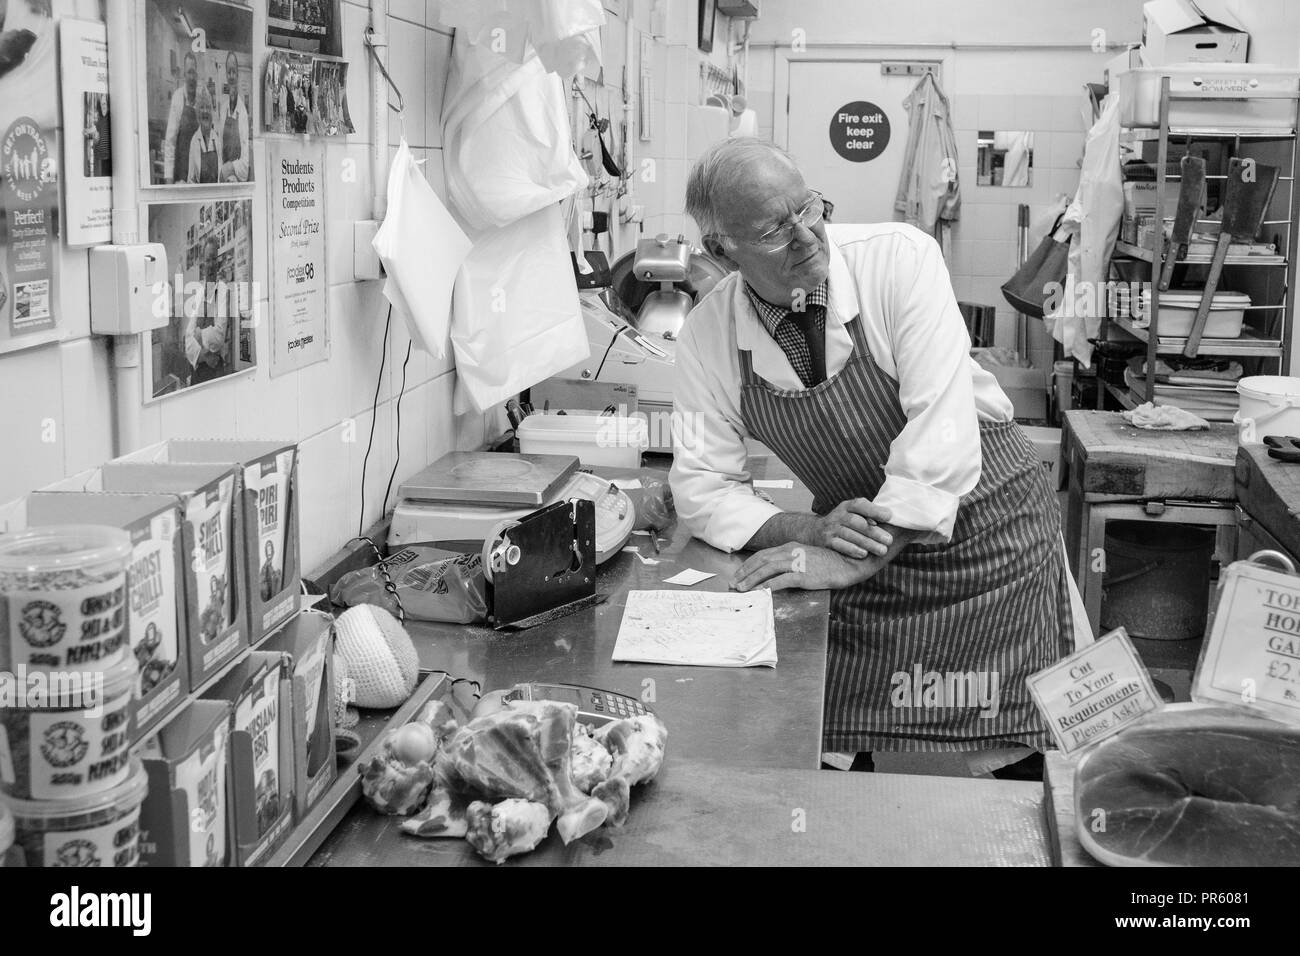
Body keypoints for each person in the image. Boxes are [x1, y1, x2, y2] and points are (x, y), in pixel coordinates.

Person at [671, 138, 1088, 777]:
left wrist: (855, 557)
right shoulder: (708, 334)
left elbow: (941, 435)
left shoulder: (900, 258)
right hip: (860, 545)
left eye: (809, 209)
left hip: (989, 539)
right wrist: (810, 532)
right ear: (722, 251)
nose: (808, 236)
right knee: (836, 726)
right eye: (776, 231)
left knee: (1011, 748)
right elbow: (702, 484)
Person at [162, 51, 199, 184]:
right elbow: (170, 143)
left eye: (193, 72)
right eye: (189, 72)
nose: (191, 77)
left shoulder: (201, 98)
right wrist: (169, 179)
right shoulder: (178, 98)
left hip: (198, 174)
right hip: (181, 172)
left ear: (197, 75)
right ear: (184, 75)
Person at [218, 51, 250, 182]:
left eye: (234, 72)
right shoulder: (223, 109)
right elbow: (220, 150)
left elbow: (245, 165)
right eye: (228, 72)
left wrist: (229, 168)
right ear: (226, 74)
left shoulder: (242, 112)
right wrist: (221, 172)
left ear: (238, 74)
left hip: (236, 180)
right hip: (222, 179)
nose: (231, 76)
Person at [187, 87, 220, 184]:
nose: (205, 111)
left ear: (211, 112)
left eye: (208, 107)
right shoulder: (194, 141)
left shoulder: (217, 140)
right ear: (197, 113)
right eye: (201, 107)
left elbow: (221, 175)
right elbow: (191, 179)